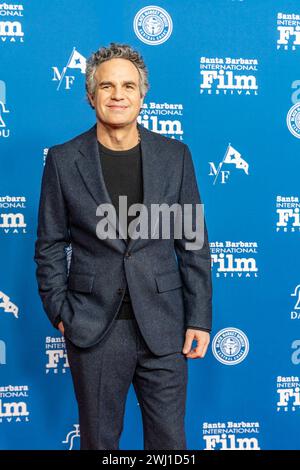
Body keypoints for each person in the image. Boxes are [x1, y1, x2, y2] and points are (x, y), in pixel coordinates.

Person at [34, 42, 212, 450]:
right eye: (108, 86)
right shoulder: (63, 160)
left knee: (169, 445)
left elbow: (194, 243)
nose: (119, 95)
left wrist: (198, 318)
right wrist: (61, 313)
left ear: (142, 94)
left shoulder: (175, 156)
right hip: (93, 328)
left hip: (164, 327)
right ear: (90, 94)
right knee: (99, 443)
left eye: (128, 86)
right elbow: (49, 243)